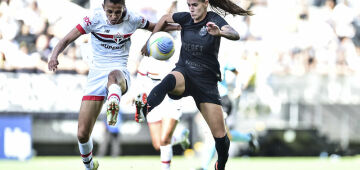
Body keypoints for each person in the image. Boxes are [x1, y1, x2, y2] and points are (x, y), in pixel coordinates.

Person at [48, 0, 179, 169]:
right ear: (103, 7)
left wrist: (180, 27)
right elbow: (66, 39)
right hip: (96, 75)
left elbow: (156, 26)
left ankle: (113, 103)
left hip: (119, 73)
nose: (114, 16)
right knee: (82, 134)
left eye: (118, 12)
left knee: (113, 76)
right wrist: (54, 56)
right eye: (110, 12)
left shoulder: (133, 18)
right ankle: (90, 166)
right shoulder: (94, 19)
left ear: (124, 8)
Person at [134, 0, 253, 170]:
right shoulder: (185, 18)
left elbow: (234, 34)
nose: (191, 8)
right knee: (169, 80)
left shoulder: (213, 19)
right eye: (189, 4)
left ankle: (221, 165)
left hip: (206, 83)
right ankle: (144, 108)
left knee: (221, 138)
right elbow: (164, 18)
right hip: (185, 72)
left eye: (195, 5)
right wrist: (150, 40)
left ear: (205, 3)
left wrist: (220, 32)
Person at [136, 56, 190, 170]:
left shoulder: (176, 56)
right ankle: (181, 137)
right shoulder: (146, 60)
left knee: (164, 139)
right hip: (153, 100)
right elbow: (140, 82)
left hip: (172, 100)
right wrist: (135, 95)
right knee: (158, 144)